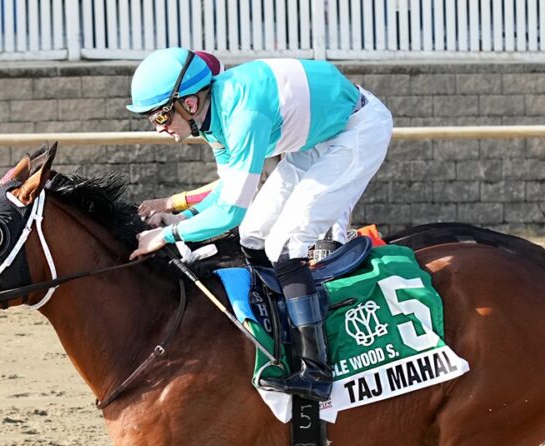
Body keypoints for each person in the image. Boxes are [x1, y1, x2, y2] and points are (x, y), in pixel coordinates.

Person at [127, 47, 394, 402]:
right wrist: (182, 216)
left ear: (189, 104)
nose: (159, 129)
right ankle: (282, 328)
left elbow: (229, 213)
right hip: (317, 138)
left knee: (286, 246)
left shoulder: (242, 115)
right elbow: (231, 190)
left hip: (355, 133)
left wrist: (166, 234)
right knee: (254, 235)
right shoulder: (213, 116)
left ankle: (316, 371)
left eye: (160, 117)